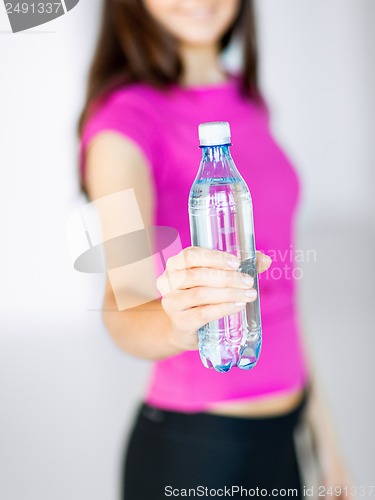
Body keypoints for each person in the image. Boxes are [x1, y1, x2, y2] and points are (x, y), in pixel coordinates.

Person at [78, 1, 351, 498]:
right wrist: (185, 324)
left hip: (285, 439)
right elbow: (123, 307)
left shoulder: (248, 103)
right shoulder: (122, 125)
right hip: (197, 452)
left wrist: (326, 442)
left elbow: (282, 293)